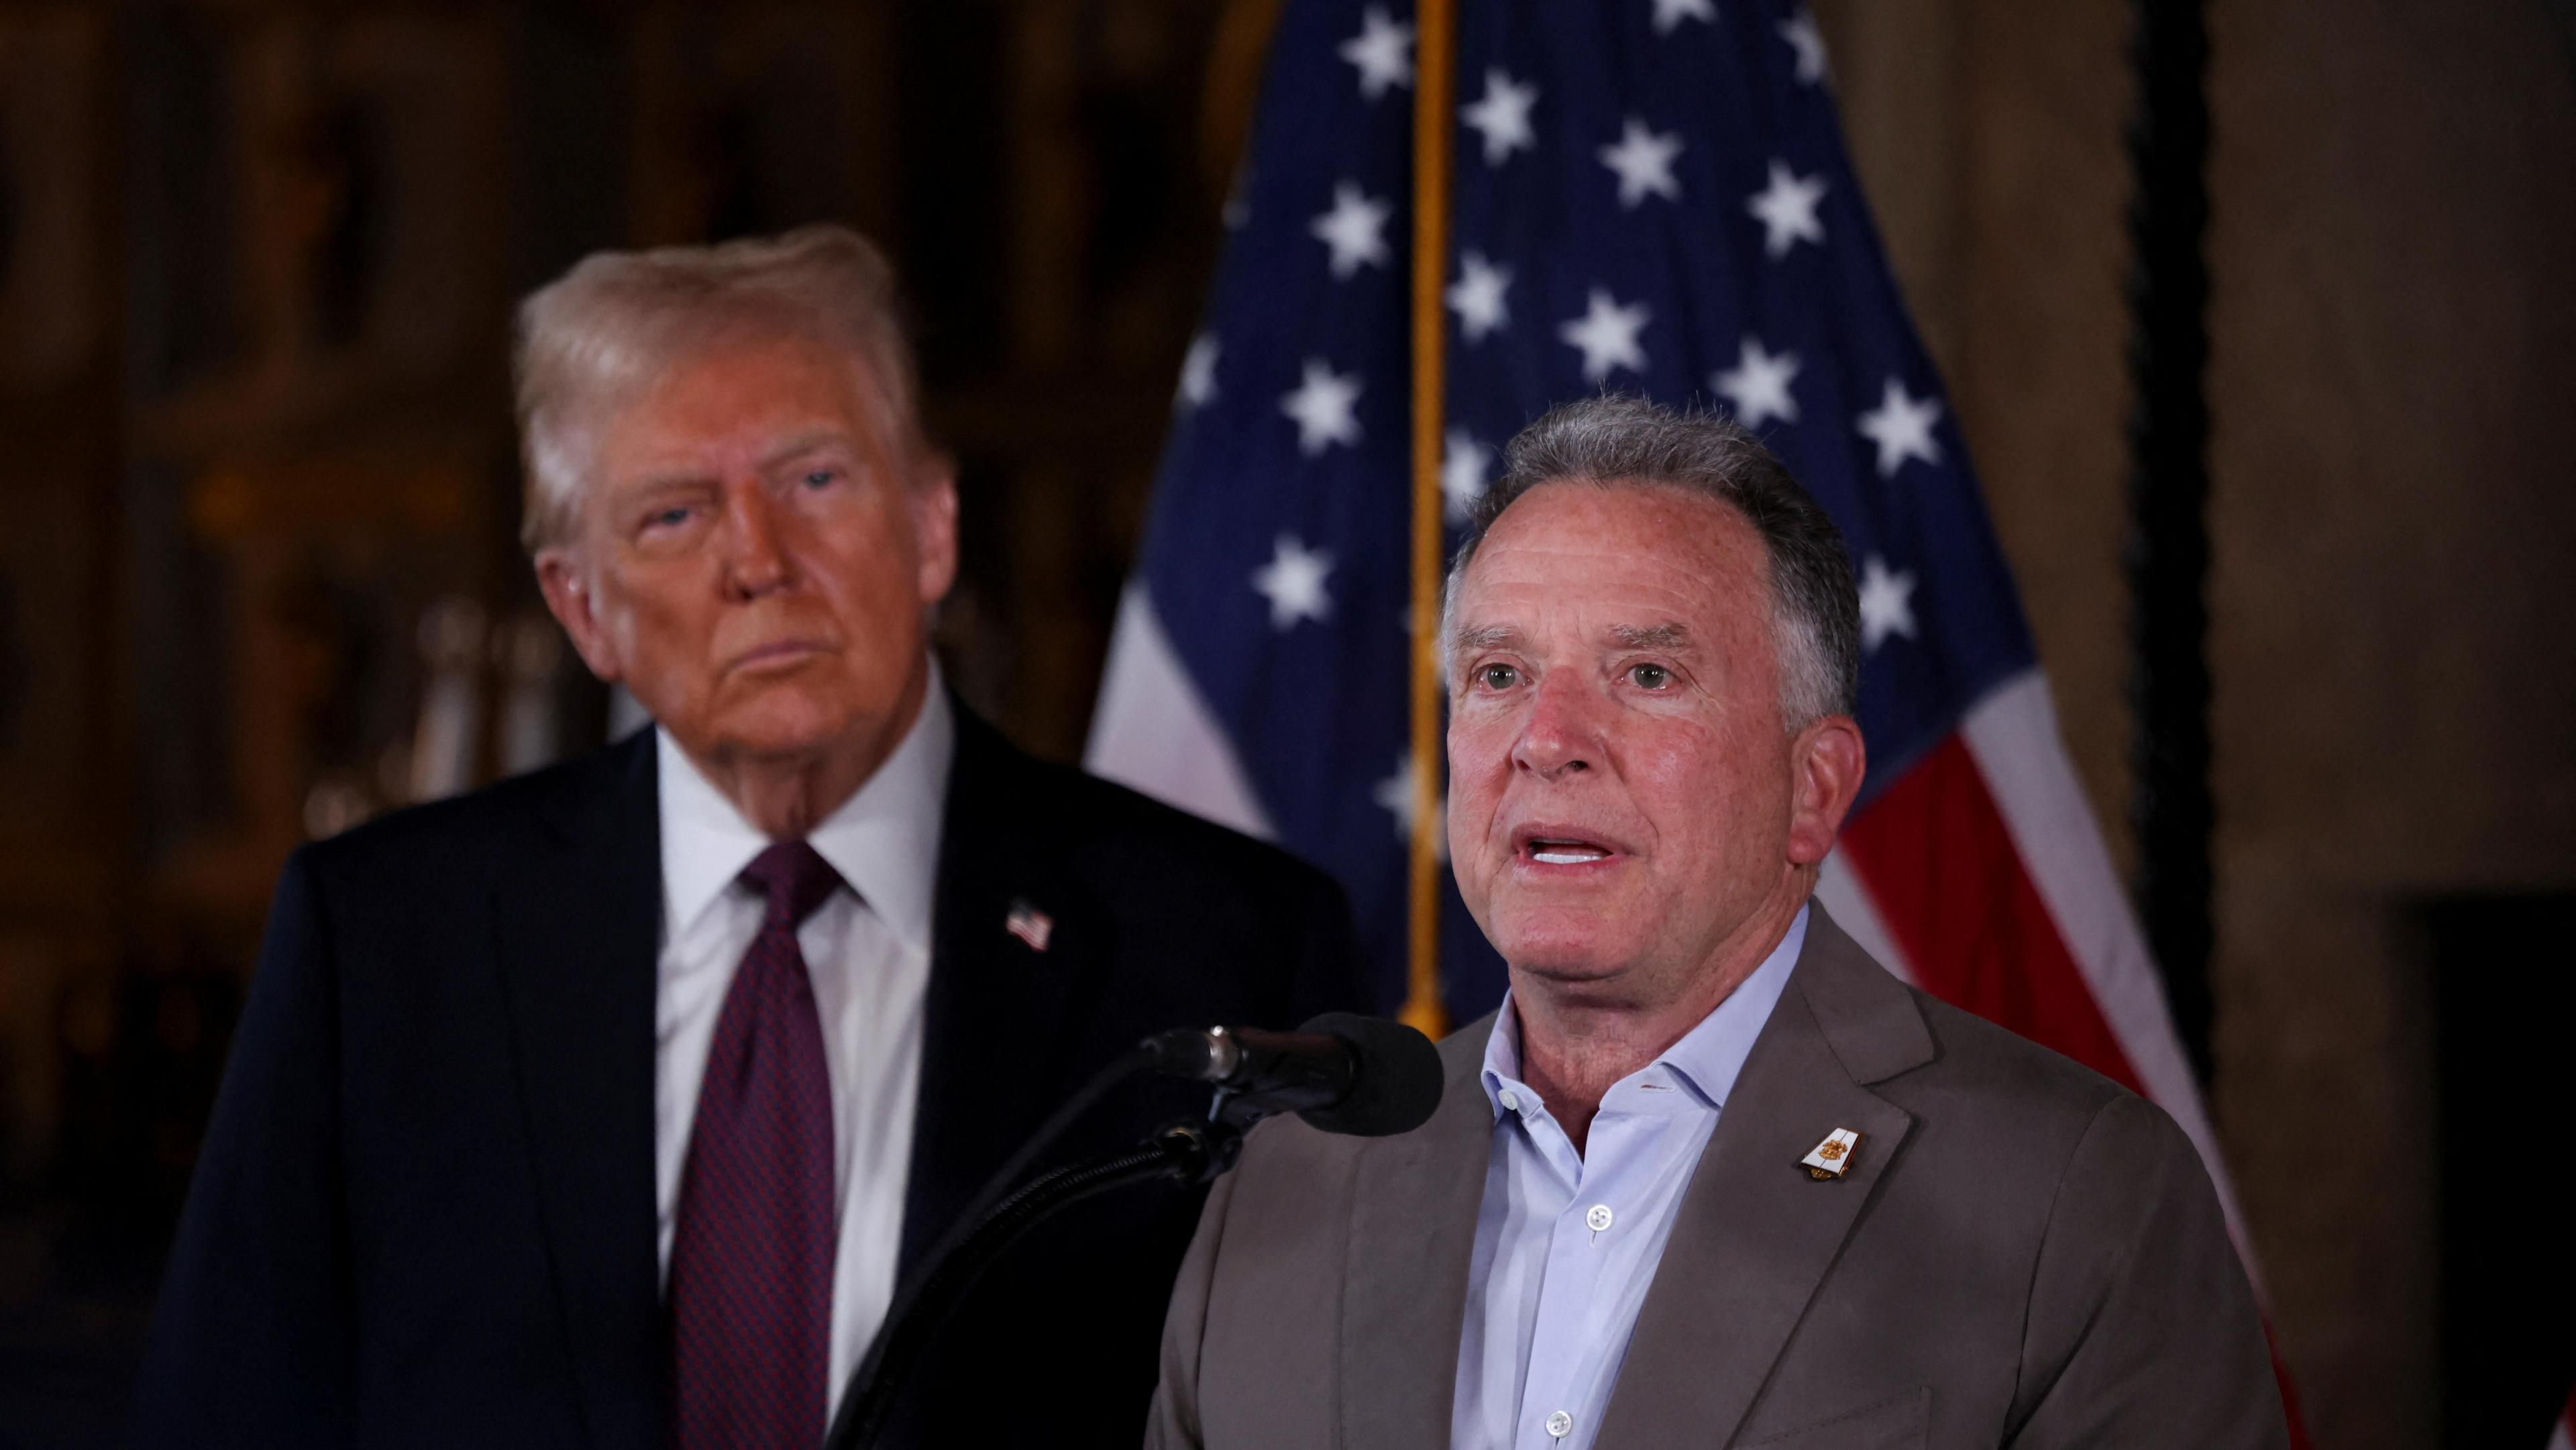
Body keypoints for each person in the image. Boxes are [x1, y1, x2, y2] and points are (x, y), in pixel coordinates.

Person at [133, 226, 1367, 1449]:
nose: (759, 560)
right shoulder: (387, 948)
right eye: (673, 515)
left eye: (815, 480)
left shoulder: (1230, 943)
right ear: (584, 607)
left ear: (931, 525)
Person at [1145, 397, 2287, 1450]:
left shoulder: (2073, 1202)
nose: (1548, 738)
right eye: (1499, 672)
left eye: (1645, 672)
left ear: (1815, 788)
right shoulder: (1286, 1193)